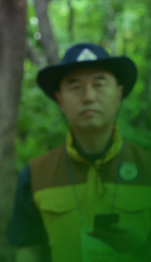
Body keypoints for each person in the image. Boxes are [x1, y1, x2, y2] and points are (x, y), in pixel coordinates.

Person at [8, 43, 151, 262]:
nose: (88, 97)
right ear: (60, 99)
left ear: (119, 94)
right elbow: (29, 250)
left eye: (99, 84)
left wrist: (143, 246)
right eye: (75, 87)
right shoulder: (35, 175)